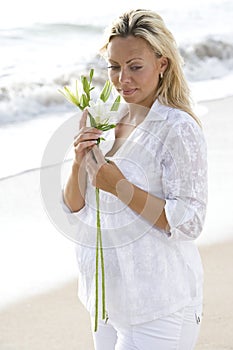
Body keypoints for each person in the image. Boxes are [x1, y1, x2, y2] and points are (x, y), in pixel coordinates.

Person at [62, 9, 208, 350]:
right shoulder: (105, 117)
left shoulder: (178, 129)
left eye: (135, 66)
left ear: (163, 65)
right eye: (114, 66)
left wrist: (119, 186)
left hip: (158, 304)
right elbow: (74, 207)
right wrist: (78, 163)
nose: (122, 78)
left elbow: (189, 223)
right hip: (106, 300)